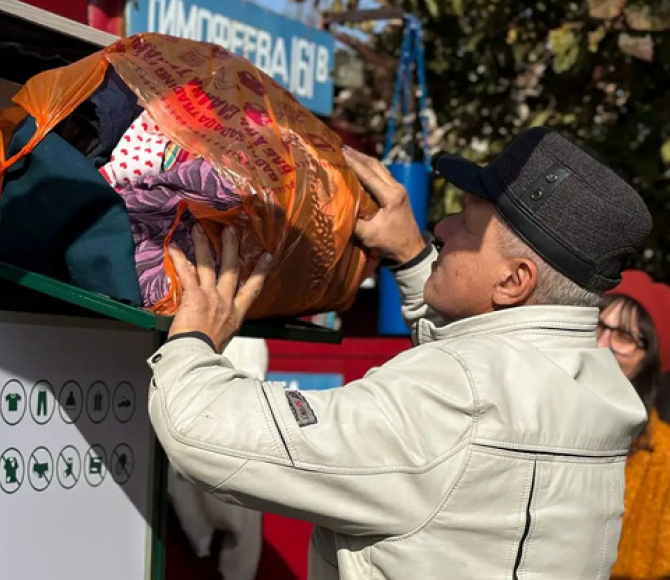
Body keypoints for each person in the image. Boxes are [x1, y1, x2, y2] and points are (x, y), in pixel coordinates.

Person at [146, 126, 652, 578]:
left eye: (465, 224)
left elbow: (200, 430)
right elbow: (477, 382)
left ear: (514, 280)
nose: (442, 229)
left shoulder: (457, 399)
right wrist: (413, 258)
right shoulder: (597, 385)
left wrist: (195, 338)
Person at [600, 270, 670, 579]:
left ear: (649, 359)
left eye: (624, 336)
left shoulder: (663, 458)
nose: (602, 345)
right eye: (599, 325)